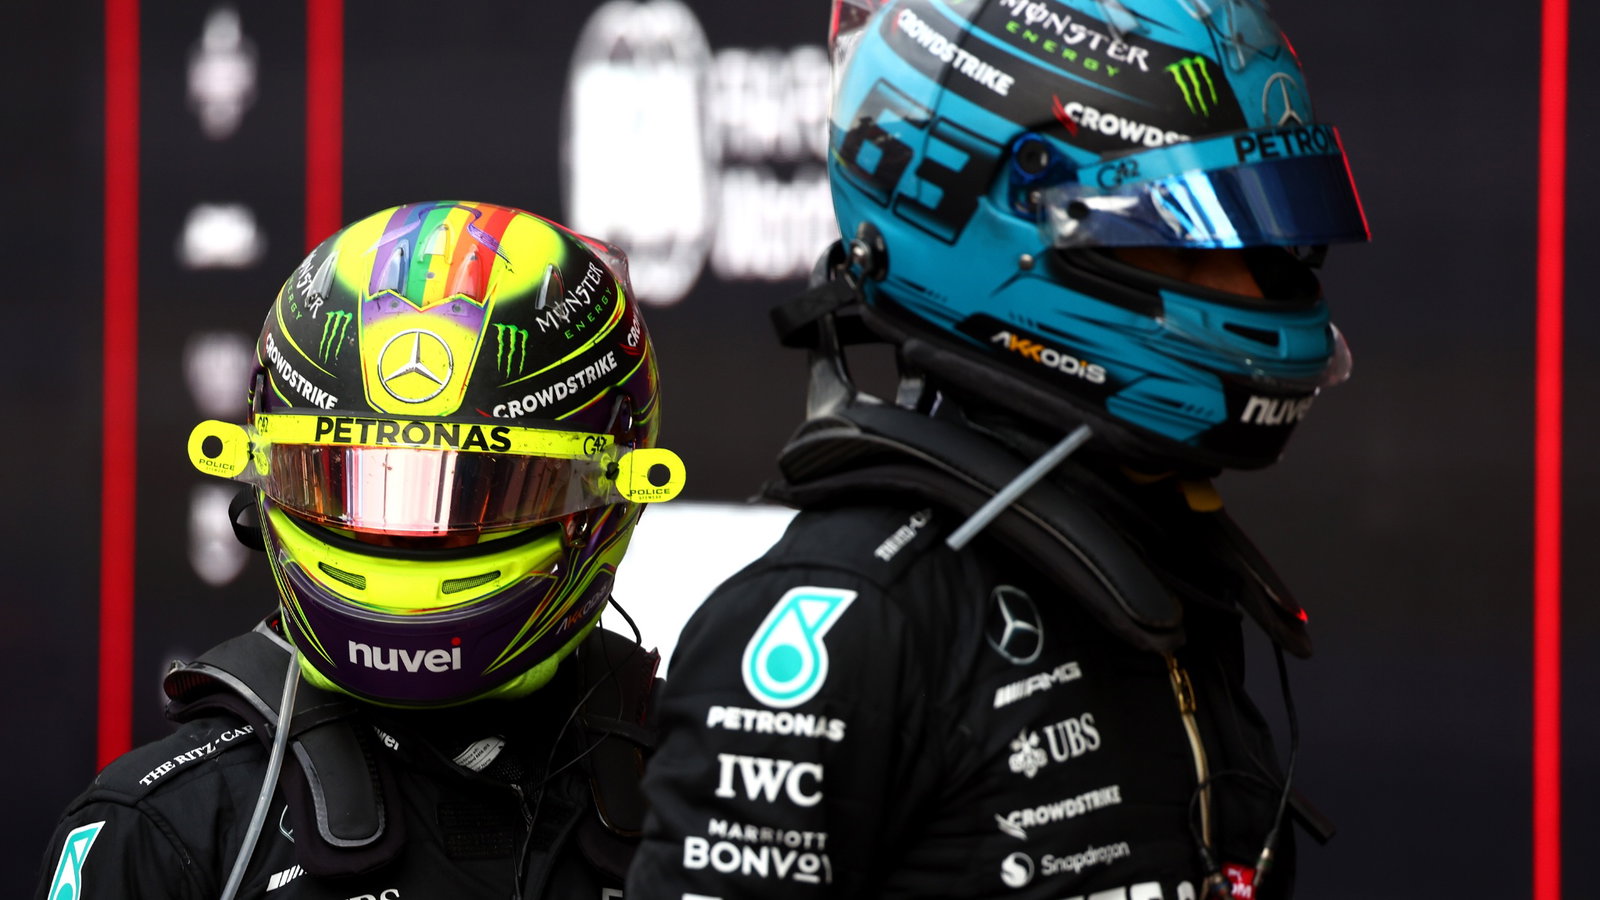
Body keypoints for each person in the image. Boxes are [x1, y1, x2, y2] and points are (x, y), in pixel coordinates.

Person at [627, 0, 1367, 897]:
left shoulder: (1154, 559)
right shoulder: (858, 622)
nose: (1256, 285)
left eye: (1272, 243)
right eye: (1194, 238)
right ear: (1010, 225)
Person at [37, 201, 685, 899]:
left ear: (613, 493)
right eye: (350, 481)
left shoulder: (713, 781)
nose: (407, 537)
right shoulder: (173, 828)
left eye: (478, 493)